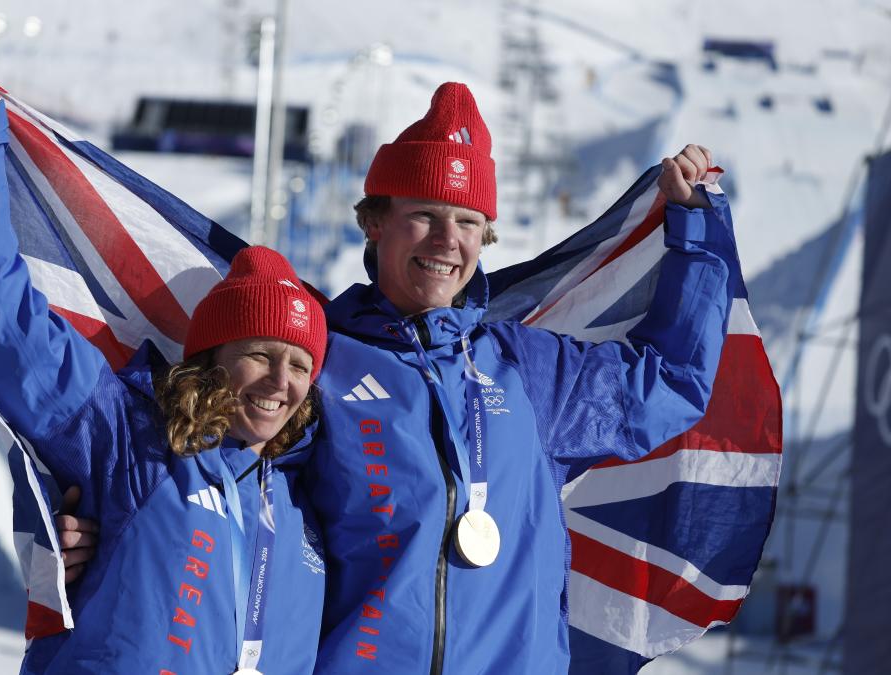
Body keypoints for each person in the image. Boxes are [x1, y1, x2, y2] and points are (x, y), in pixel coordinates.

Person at [61, 81, 735, 674]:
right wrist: (99, 520)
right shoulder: (319, 362)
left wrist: (697, 235)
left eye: (469, 222)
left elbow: (672, 381)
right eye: (425, 216)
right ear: (376, 220)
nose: (448, 241)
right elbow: (206, 460)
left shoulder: (530, 371)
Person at [0, 57, 330, 675]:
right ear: (214, 358)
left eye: (300, 365)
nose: (281, 382)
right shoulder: (130, 440)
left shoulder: (305, 502)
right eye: (261, 355)